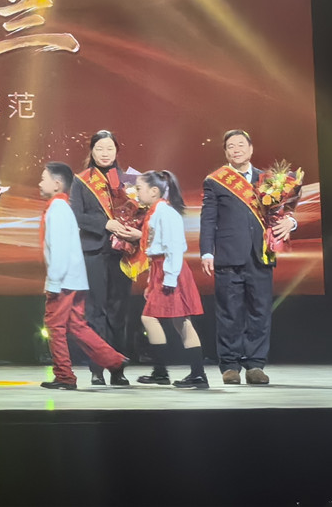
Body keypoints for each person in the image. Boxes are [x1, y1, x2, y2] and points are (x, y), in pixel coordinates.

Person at [199, 129, 296, 385]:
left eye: (241, 144)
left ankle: (255, 365)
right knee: (229, 313)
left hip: (261, 255)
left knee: (260, 311)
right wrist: (207, 251)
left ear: (251, 149)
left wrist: (291, 222)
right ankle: (230, 365)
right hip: (228, 255)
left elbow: (285, 211)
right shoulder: (215, 181)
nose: (236, 149)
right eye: (231, 146)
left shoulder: (270, 180)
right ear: (225, 152)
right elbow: (208, 219)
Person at [39, 162, 129, 390]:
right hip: (74, 278)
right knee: (77, 326)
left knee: (55, 326)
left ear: (57, 184)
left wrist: (53, 282)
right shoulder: (61, 207)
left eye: (43, 178)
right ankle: (114, 360)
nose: (40, 183)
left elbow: (59, 249)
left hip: (64, 280)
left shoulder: (58, 209)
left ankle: (64, 376)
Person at [68, 130, 142, 385]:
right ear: (92, 151)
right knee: (95, 312)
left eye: (110, 148)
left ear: (116, 151)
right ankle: (97, 369)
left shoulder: (129, 180)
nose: (105, 153)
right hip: (94, 253)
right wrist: (105, 224)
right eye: (99, 148)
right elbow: (76, 215)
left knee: (118, 313)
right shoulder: (81, 181)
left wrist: (136, 231)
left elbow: (141, 213)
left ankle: (118, 370)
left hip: (122, 253)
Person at [133, 170, 208, 389]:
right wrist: (152, 281)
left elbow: (174, 248)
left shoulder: (166, 213)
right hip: (161, 269)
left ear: (154, 191)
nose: (136, 193)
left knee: (156, 318)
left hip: (170, 270)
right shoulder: (156, 212)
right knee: (179, 321)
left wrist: (170, 278)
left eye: (139, 188)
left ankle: (169, 372)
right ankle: (183, 373)